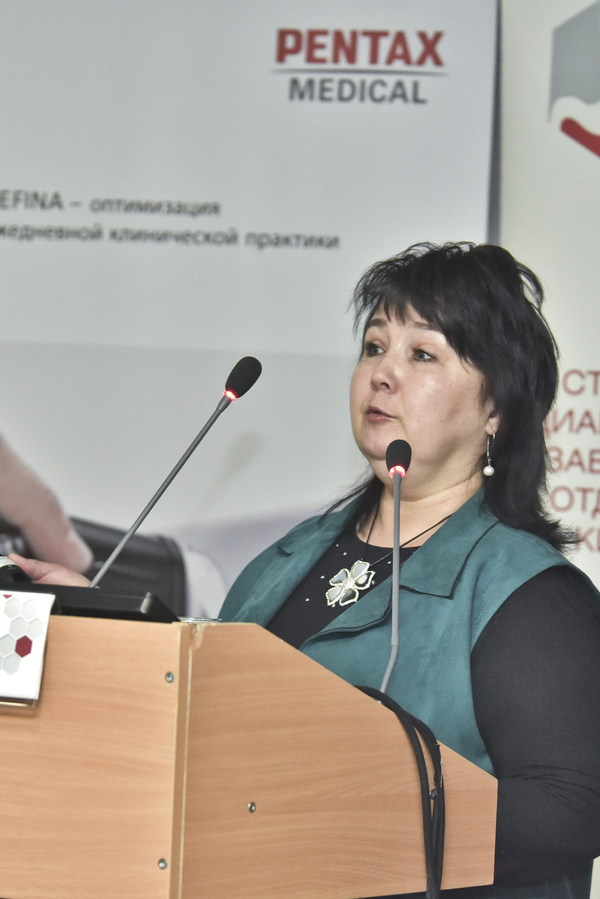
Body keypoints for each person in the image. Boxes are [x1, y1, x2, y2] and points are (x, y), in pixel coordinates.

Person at [16, 242, 600, 899]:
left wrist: (345, 817)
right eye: (374, 346)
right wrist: (109, 626)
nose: (382, 374)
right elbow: (208, 721)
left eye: (422, 354)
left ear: (496, 409)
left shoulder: (529, 595)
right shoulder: (287, 559)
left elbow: (569, 809)